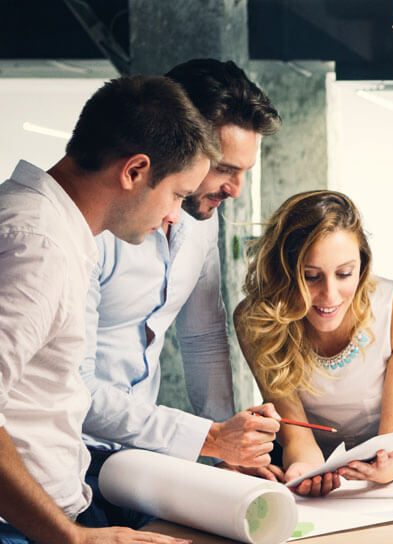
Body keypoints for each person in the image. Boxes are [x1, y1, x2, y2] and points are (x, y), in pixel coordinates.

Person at [0, 75, 217, 543]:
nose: (175, 216)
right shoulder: (40, 246)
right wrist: (71, 537)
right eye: (178, 194)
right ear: (134, 170)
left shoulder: (42, 221)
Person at [81, 60, 285, 516]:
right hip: (70, 447)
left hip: (140, 454)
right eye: (225, 169)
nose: (234, 190)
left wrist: (229, 448)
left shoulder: (200, 222)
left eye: (244, 171)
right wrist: (210, 439)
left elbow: (203, 338)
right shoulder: (94, 230)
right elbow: (71, 385)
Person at [235, 190, 393, 497]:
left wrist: (390, 464)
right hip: (306, 460)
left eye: (344, 274)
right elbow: (298, 441)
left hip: (383, 462)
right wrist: (303, 469)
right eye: (311, 277)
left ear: (362, 265)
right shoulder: (257, 318)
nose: (330, 295)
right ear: (283, 272)